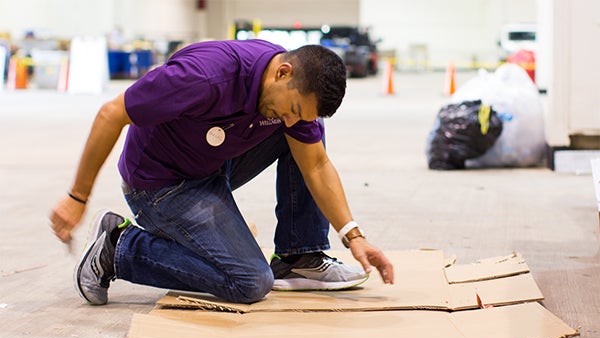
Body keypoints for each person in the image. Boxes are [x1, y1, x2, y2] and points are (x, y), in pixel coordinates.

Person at [49, 39, 394, 305]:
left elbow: (316, 164)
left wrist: (354, 236)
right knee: (250, 283)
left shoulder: (287, 93)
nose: (289, 119)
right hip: (161, 185)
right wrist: (77, 196)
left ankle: (299, 254)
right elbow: (111, 114)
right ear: (283, 72)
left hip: (212, 161)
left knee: (307, 134)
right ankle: (120, 249)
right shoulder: (203, 76)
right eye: (290, 108)